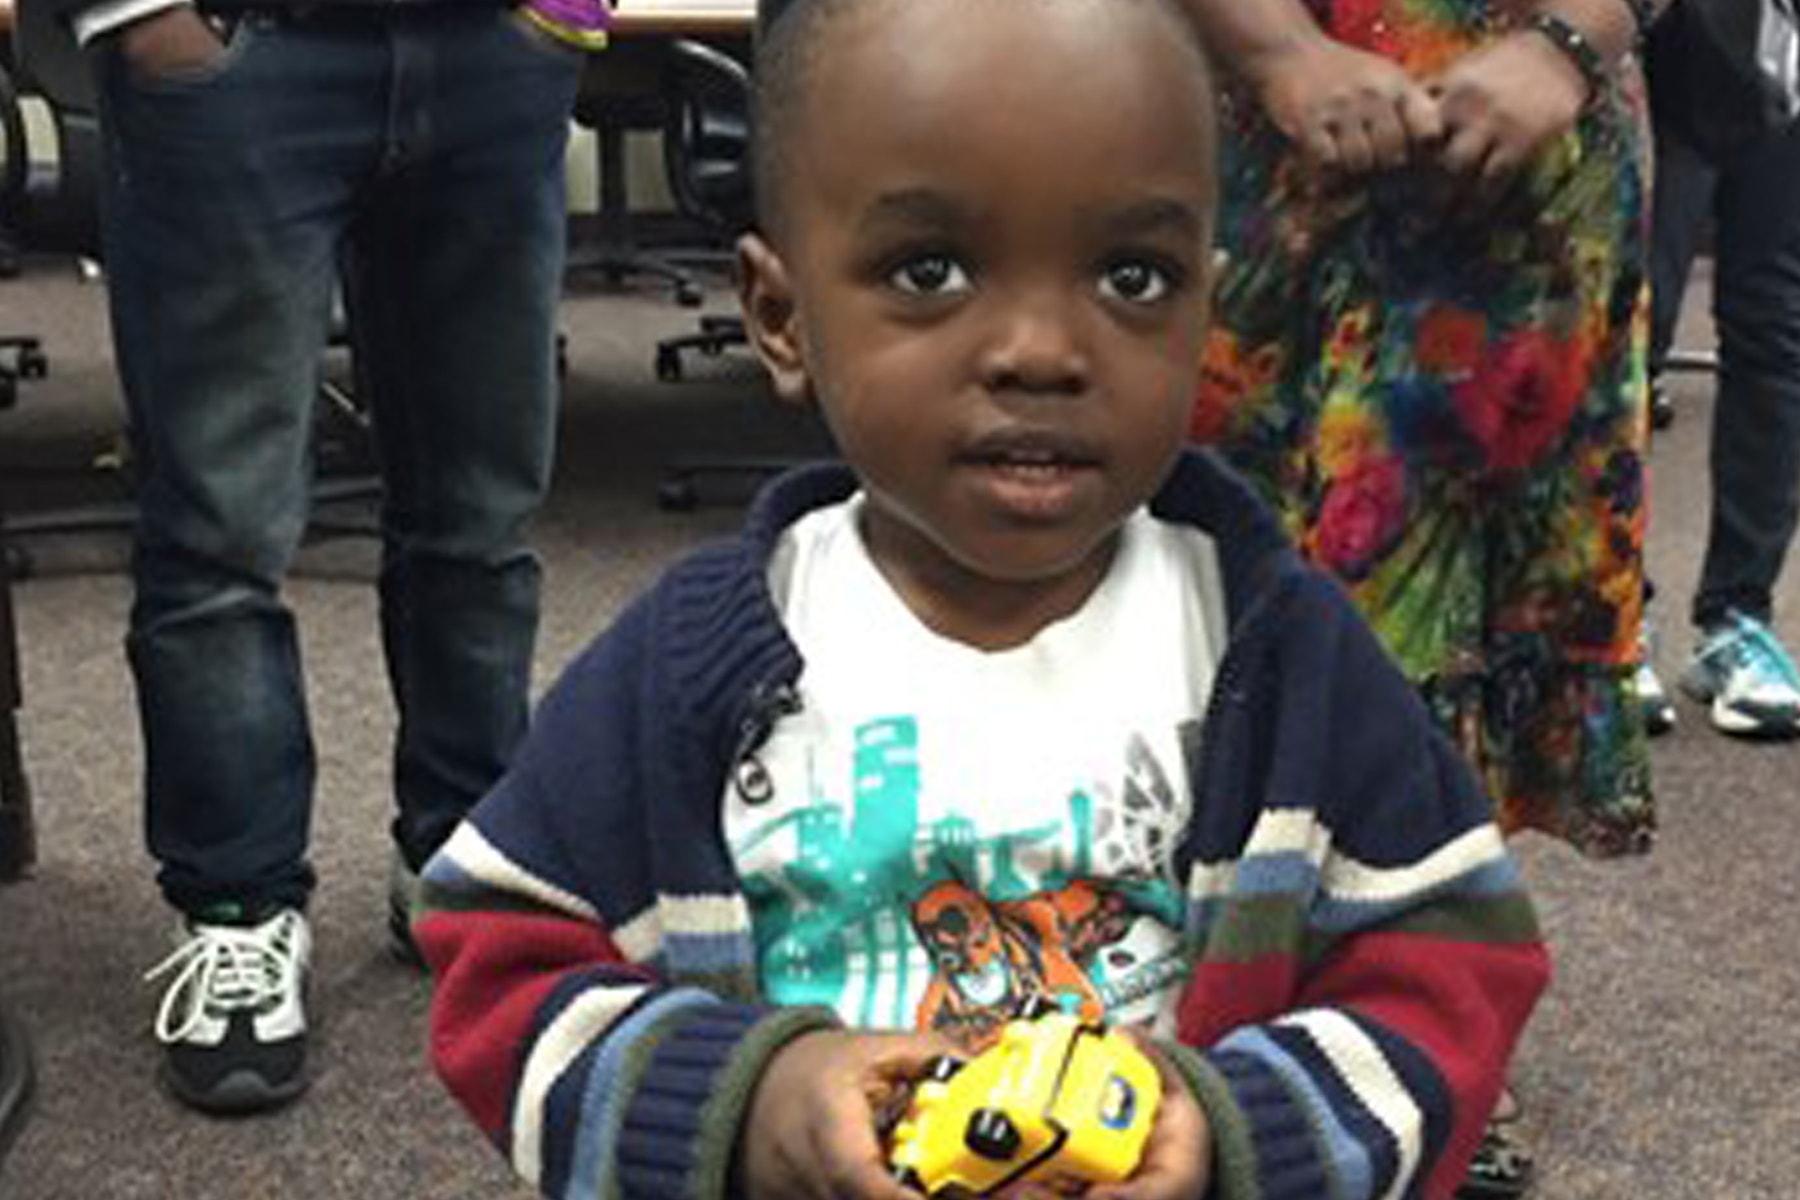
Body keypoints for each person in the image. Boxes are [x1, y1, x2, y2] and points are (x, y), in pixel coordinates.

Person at [414, 2, 1550, 1197]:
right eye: (932, 271)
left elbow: (1452, 962)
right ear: (782, 319)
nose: (1041, 350)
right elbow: (502, 963)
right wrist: (751, 1100)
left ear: (1205, 320)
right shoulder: (692, 665)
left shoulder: (1278, 654)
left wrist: (1234, 1131)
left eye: (1133, 276)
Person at [46, 0, 601, 1114]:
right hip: (234, 47)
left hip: (491, 48)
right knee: (220, 528)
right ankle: (237, 907)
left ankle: (467, 862)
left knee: (482, 512)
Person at [1181, 0, 1659, 1193]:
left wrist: (1568, 39)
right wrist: (1279, 49)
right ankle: (1171, 961)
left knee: (1465, 617)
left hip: (1536, 169)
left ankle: (1414, 1015)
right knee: (1207, 571)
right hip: (1265, 144)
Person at [1642, 0, 1800, 739]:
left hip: (1784, 55)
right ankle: (1611, 615)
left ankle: (1738, 617)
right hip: (1658, 48)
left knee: (1774, 335)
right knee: (1635, 321)